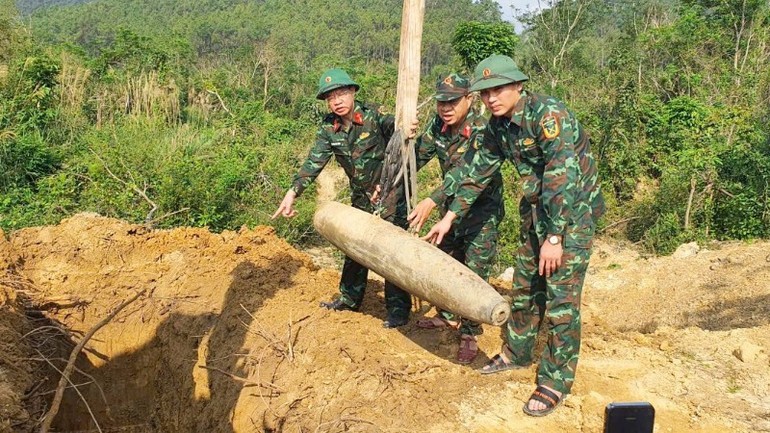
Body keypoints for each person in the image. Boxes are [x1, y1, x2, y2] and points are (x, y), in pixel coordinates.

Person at [423, 55, 605, 416]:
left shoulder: (548, 115)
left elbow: (561, 178)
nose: (491, 98)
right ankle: (517, 354)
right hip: (535, 211)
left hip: (571, 215)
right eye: (485, 92)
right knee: (524, 286)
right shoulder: (498, 126)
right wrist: (449, 216)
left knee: (561, 301)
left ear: (518, 85)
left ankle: (555, 381)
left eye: (499, 89)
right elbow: (475, 171)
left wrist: (555, 238)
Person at [272, 68, 412, 328]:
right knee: (354, 246)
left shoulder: (374, 115)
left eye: (341, 94)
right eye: (330, 97)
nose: (336, 101)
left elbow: (399, 131)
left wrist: (407, 126)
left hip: (391, 195)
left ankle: (398, 310)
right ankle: (349, 299)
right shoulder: (329, 128)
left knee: (392, 250)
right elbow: (314, 161)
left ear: (353, 92)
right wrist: (292, 193)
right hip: (361, 199)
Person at [407, 73, 504, 364]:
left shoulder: (482, 131)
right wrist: (403, 139)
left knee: (474, 271)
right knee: (447, 262)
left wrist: (432, 199)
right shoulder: (438, 126)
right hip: (450, 211)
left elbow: (465, 174)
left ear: (469, 100)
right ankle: (448, 315)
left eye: (452, 102)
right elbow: (416, 157)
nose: (446, 108)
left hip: (481, 212)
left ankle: (470, 333)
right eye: (441, 102)